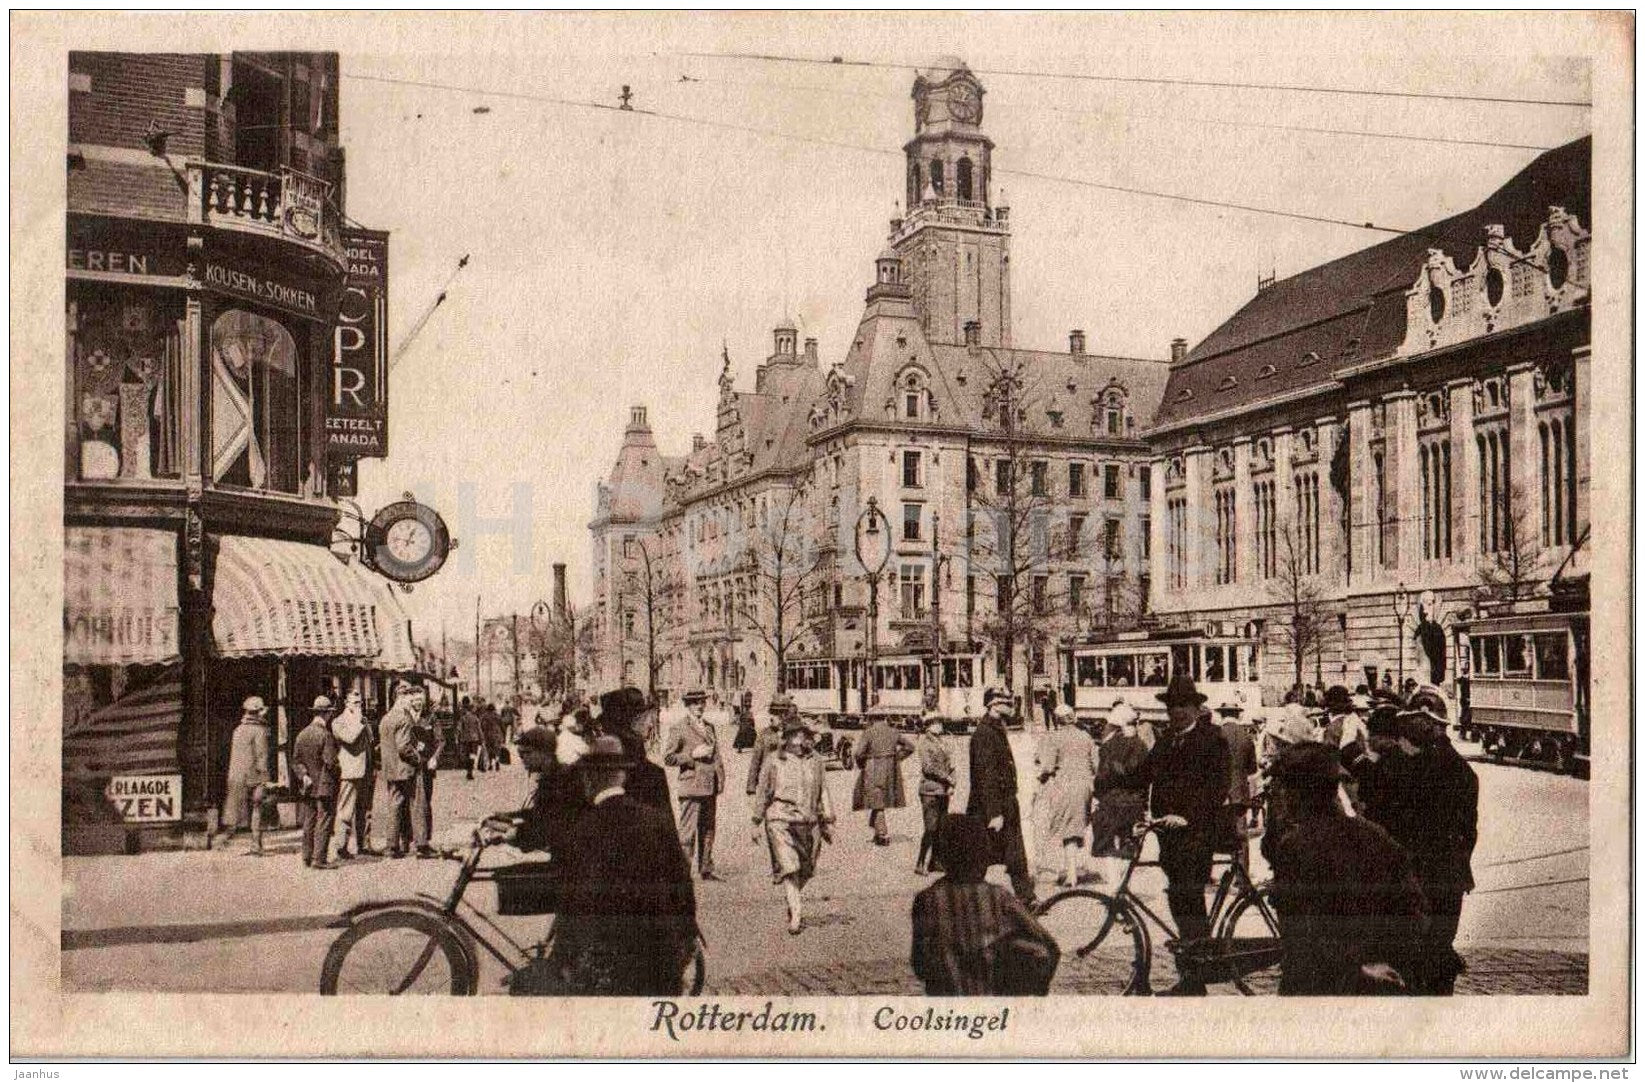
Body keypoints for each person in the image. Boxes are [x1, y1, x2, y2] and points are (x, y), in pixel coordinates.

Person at [487, 734, 698, 995]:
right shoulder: (657, 821)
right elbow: (684, 894)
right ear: (622, 776)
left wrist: (549, 969)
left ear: (588, 780)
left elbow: (574, 913)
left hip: (608, 977)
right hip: (661, 973)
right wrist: (681, 951)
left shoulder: (583, 831)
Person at [1261, 742, 1429, 995]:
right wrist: (1380, 960)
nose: (1280, 796)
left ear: (1296, 793)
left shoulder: (1296, 846)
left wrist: (1355, 966)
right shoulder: (1375, 835)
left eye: (1282, 788)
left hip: (1320, 984)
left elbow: (1302, 932)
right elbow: (1414, 910)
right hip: (1379, 981)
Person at [1356, 688, 1478, 996]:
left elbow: (1381, 824)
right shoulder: (1464, 772)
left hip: (1411, 880)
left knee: (1409, 958)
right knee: (1439, 952)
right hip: (1450, 877)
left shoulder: (1400, 770)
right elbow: (1468, 832)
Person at [1127, 674, 1230, 995]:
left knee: (1190, 902)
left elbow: (1217, 788)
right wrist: (1108, 784)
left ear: (1197, 708)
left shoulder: (1212, 739)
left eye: (1184, 706)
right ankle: (1191, 975)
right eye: (1173, 707)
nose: (1178, 712)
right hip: (1169, 837)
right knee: (1179, 900)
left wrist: (1186, 817)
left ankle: (1197, 979)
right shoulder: (1167, 739)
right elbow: (1144, 774)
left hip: (1196, 834)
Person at [910, 814, 1060, 996]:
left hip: (946, 1008)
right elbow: (1049, 948)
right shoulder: (999, 898)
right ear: (984, 856)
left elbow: (919, 964)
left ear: (942, 858)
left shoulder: (927, 901)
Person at [752, 715, 835, 934]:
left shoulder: (816, 760)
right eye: (794, 735)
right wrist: (756, 821)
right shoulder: (774, 760)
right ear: (786, 739)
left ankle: (793, 899)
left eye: (802, 735)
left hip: (809, 821)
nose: (799, 740)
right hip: (780, 819)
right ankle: (796, 914)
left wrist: (828, 818)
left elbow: (823, 790)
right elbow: (763, 793)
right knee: (790, 868)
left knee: (807, 869)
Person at [967, 688, 1035, 905]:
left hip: (1005, 804)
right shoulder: (984, 733)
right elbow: (986, 776)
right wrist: (994, 812)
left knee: (1015, 854)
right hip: (989, 807)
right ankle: (967, 898)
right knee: (980, 856)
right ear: (993, 705)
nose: (1010, 706)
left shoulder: (996, 728)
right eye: (1005, 702)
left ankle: (1026, 897)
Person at [663, 689, 725, 880]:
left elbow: (716, 755)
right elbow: (668, 757)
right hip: (691, 786)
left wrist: (720, 778)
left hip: (709, 786)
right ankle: (683, 871)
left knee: (708, 829)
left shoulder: (709, 727)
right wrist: (691, 756)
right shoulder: (679, 728)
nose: (700, 706)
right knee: (687, 833)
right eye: (695, 703)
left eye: (702, 702)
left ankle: (706, 868)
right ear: (688, 705)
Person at [1035, 703, 1100, 889]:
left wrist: (1040, 777)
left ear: (1057, 720)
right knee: (1075, 826)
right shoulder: (1086, 737)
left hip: (1064, 786)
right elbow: (1096, 764)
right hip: (1084, 786)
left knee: (1067, 829)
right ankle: (1071, 870)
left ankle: (1070, 873)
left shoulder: (1054, 738)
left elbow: (1047, 766)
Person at [1089, 703, 1149, 881]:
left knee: (1107, 844)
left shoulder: (1108, 746)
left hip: (1111, 801)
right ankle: (1123, 882)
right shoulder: (1142, 746)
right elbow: (1146, 778)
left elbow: (1102, 777)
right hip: (1134, 802)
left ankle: (1114, 884)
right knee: (1128, 842)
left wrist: (1099, 796)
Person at [599, 687, 672, 814]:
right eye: (647, 717)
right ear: (634, 720)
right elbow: (665, 829)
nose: (651, 725)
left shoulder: (592, 772)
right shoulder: (652, 775)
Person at [378, 682, 425, 858]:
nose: (411, 701)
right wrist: (418, 758)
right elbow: (404, 747)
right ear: (402, 698)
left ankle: (391, 846)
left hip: (391, 770)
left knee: (394, 807)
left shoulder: (386, 718)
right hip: (406, 770)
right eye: (408, 698)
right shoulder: (404, 719)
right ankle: (421, 844)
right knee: (417, 805)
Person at [292, 695, 340, 870]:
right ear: (327, 715)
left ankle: (306, 856)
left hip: (308, 785)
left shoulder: (302, 734)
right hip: (325, 784)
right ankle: (319, 859)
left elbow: (296, 760)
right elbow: (331, 762)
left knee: (309, 821)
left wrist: (304, 775)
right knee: (324, 821)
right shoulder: (326, 735)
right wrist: (338, 773)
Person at [220, 696, 272, 855]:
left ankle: (227, 841)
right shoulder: (259, 731)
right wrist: (265, 778)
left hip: (237, 775)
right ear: (258, 713)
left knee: (235, 809)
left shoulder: (238, 730)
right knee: (257, 808)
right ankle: (256, 845)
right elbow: (261, 756)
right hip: (255, 776)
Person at [853, 711, 914, 846]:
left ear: (872, 718)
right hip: (890, 771)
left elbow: (858, 753)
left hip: (873, 768)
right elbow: (910, 747)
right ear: (885, 717)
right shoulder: (893, 731)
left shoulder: (869, 732)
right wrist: (896, 758)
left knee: (877, 800)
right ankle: (876, 830)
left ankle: (882, 833)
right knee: (878, 799)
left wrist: (862, 764)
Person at [330, 689, 372, 860]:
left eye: (360, 703)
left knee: (366, 810)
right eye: (355, 703)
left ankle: (364, 844)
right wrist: (358, 721)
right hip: (350, 771)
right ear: (346, 703)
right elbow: (350, 738)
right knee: (345, 811)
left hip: (366, 770)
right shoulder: (338, 722)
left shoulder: (363, 720)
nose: (358, 706)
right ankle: (341, 846)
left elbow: (370, 740)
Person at [913, 712, 955, 876]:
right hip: (929, 790)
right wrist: (948, 779)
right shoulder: (924, 743)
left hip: (943, 790)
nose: (940, 725)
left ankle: (935, 862)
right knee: (930, 828)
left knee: (941, 828)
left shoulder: (942, 742)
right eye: (937, 723)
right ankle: (920, 862)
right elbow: (928, 767)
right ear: (929, 726)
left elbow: (952, 764)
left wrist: (953, 782)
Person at [409, 688, 444, 858]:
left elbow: (440, 740)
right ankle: (410, 840)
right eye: (415, 699)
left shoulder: (431, 717)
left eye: (420, 700)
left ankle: (425, 840)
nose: (418, 703)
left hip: (426, 767)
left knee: (426, 801)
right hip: (410, 766)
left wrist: (435, 758)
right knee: (410, 803)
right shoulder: (407, 718)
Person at [745, 695, 790, 798]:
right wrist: (751, 786)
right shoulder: (764, 735)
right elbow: (756, 761)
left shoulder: (792, 734)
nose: (779, 718)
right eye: (776, 714)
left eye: (783, 714)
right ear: (771, 716)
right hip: (767, 784)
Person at [457, 698, 483, 780]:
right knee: (472, 755)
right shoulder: (475, 718)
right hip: (474, 739)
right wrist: (481, 739)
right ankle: (470, 771)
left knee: (466, 755)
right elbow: (479, 729)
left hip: (465, 739)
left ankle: (468, 770)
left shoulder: (463, 718)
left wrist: (458, 737)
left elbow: (459, 728)